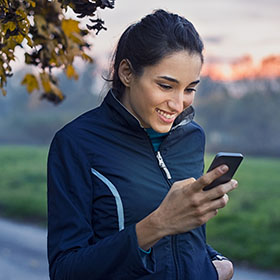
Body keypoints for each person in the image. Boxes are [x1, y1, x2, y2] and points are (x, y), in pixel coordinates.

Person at [47, 9, 237, 280]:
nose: (178, 103)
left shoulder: (192, 137)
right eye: (165, 85)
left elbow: (182, 242)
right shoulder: (75, 144)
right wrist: (156, 225)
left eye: (190, 88)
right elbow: (65, 270)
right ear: (126, 73)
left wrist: (217, 265)